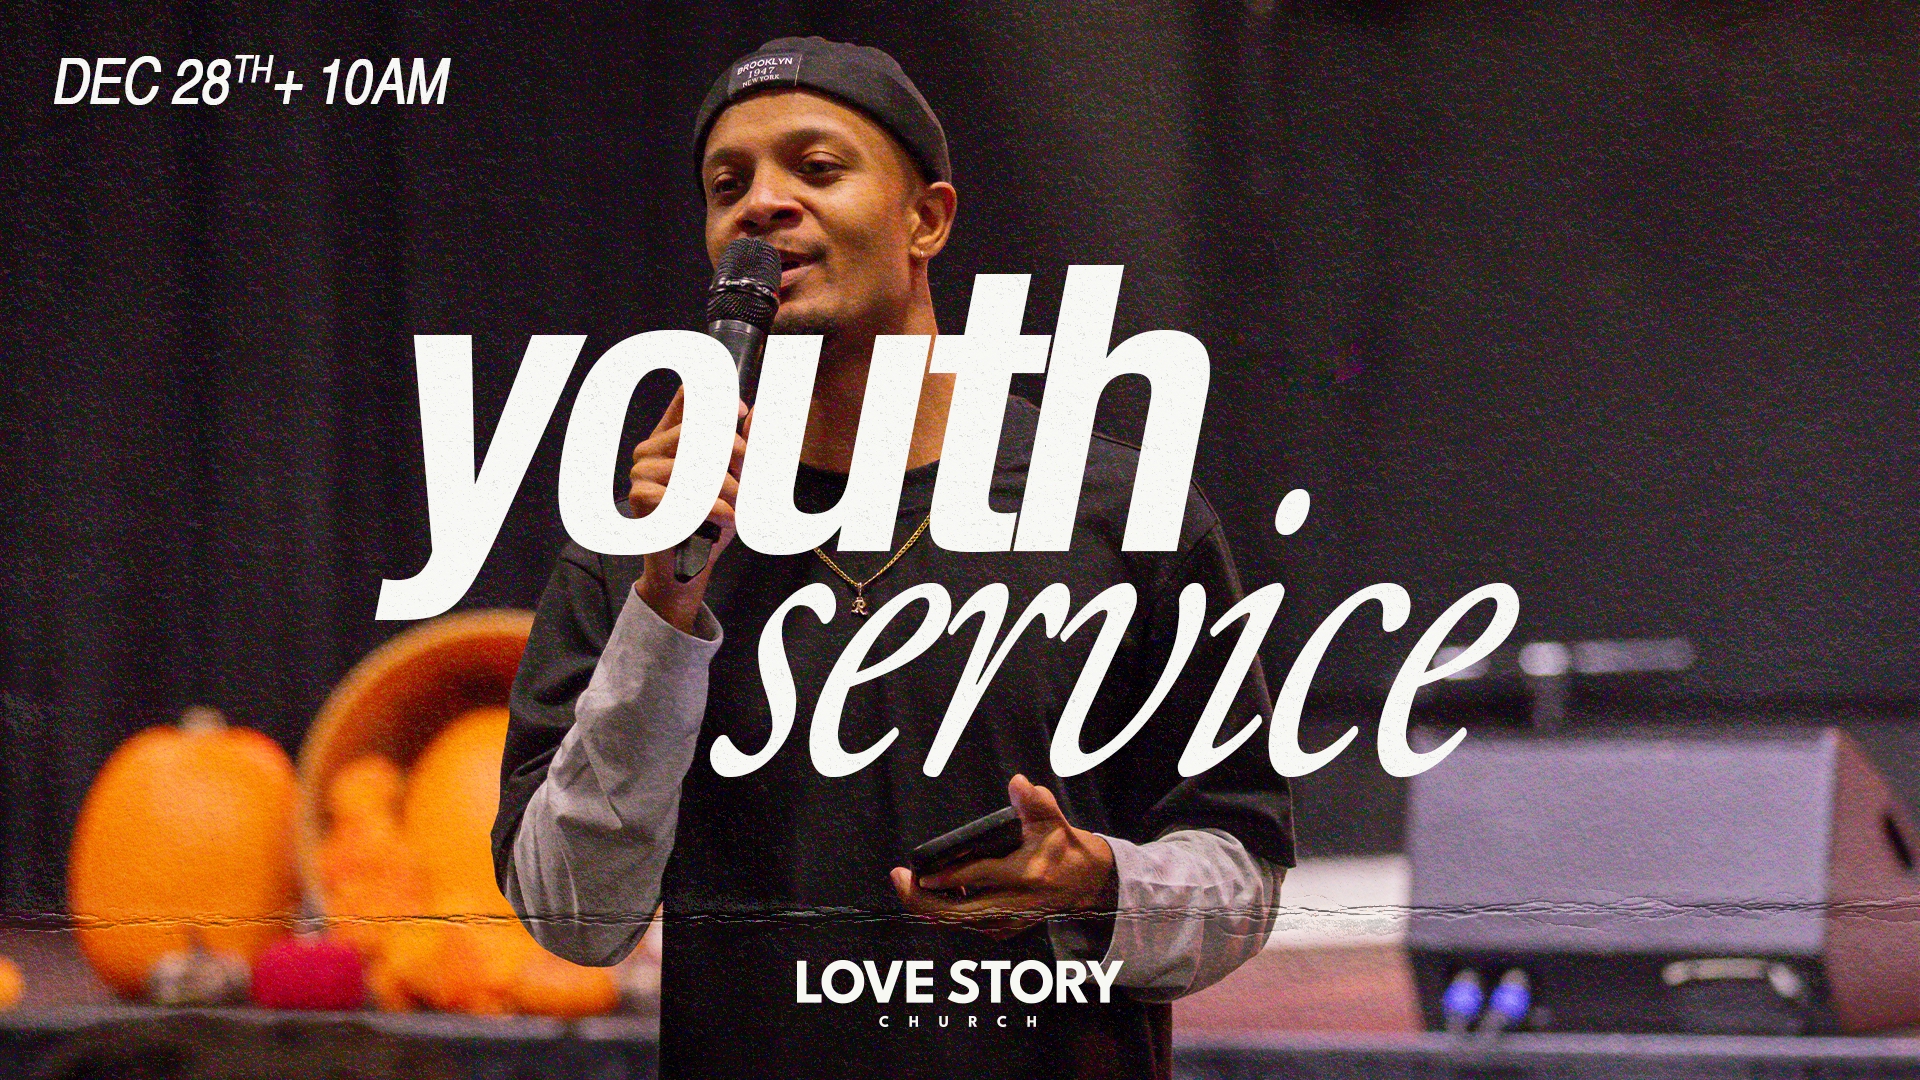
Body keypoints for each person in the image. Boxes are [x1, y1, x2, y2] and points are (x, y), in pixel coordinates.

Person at [492, 37, 1294, 1080]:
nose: (762, 203)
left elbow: (1244, 872)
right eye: (727, 185)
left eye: (816, 167)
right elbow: (573, 916)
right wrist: (665, 605)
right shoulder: (633, 547)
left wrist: (1099, 884)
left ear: (928, 219)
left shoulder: (1119, 514)